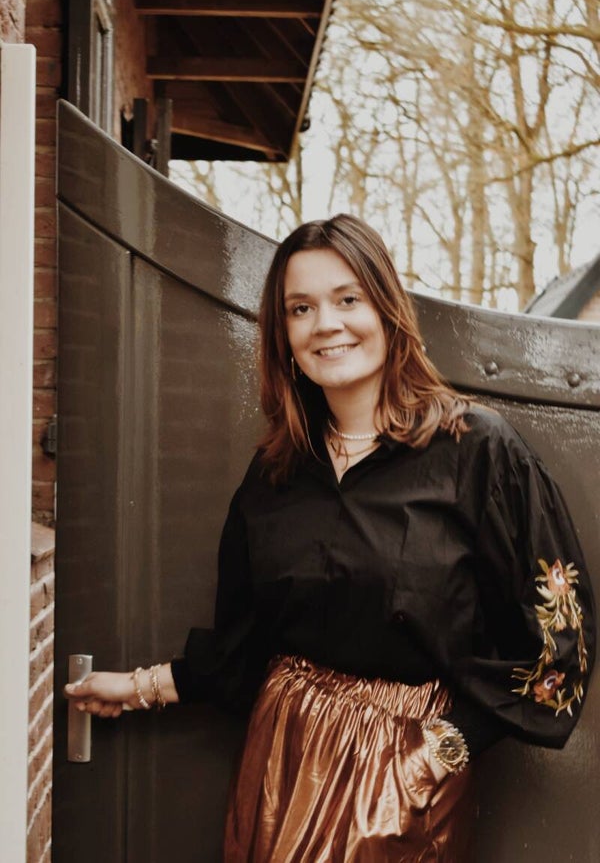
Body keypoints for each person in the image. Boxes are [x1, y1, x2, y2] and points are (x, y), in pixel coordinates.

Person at [65, 214, 596, 862]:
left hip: (402, 770)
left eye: (348, 299)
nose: (326, 324)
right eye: (301, 308)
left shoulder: (475, 450)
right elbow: (245, 645)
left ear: (388, 310)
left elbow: (560, 641)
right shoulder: (277, 471)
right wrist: (137, 687)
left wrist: (440, 750)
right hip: (282, 757)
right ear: (284, 335)